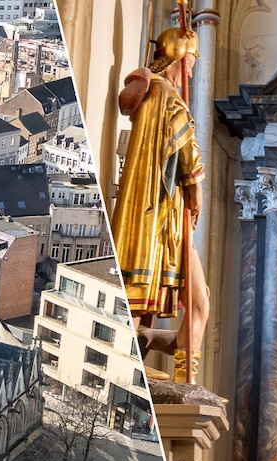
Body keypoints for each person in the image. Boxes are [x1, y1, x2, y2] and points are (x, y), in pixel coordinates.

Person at [109, 26, 207, 382]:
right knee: (196, 301)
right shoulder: (168, 98)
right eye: (192, 62)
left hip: (151, 207)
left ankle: (146, 344)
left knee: (195, 301)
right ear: (180, 58)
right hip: (161, 211)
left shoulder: (153, 97)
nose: (192, 72)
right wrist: (196, 195)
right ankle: (175, 371)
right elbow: (188, 154)